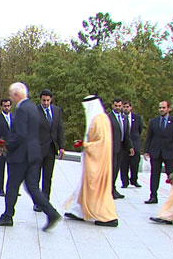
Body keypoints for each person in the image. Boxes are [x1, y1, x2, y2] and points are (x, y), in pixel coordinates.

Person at [0, 82, 62, 231]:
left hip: (21, 156)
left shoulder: (22, 109)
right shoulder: (33, 108)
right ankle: (52, 213)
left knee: (12, 186)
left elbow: (20, 134)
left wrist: (4, 146)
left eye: (11, 95)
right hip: (34, 154)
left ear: (16, 95)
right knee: (32, 187)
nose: (11, 98)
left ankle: (8, 216)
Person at [63, 95, 118, 227]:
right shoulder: (99, 118)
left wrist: (86, 145)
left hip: (97, 161)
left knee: (96, 188)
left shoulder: (99, 119)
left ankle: (107, 217)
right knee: (84, 186)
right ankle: (80, 211)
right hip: (92, 159)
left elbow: (101, 143)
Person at [35, 89, 65, 211]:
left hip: (51, 149)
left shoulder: (57, 111)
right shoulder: (35, 111)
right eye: (43, 100)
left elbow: (60, 129)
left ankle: (45, 200)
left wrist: (61, 146)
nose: (46, 103)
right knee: (36, 176)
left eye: (48, 100)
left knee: (48, 176)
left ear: (51, 99)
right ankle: (37, 202)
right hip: (38, 149)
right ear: (40, 99)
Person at [144, 101, 173, 204]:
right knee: (154, 174)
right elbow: (149, 137)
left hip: (169, 152)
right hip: (156, 152)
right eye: (160, 108)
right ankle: (153, 196)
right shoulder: (154, 121)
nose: (161, 110)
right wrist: (146, 150)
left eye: (163, 108)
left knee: (171, 175)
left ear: (168, 109)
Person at [107, 98, 134, 199]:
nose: (118, 108)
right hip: (111, 147)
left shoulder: (124, 117)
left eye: (119, 106)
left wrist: (130, 146)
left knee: (117, 168)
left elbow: (127, 134)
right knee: (112, 169)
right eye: (116, 106)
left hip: (121, 147)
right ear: (113, 106)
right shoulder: (108, 118)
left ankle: (113, 188)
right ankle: (109, 189)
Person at [120, 100, 143, 188]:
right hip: (124, 145)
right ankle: (124, 182)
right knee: (124, 164)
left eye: (127, 107)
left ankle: (134, 180)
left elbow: (140, 130)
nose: (126, 109)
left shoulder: (137, 118)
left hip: (135, 143)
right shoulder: (121, 118)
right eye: (124, 107)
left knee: (135, 164)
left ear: (131, 107)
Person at [0, 98, 13, 196]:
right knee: (1, 169)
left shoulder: (14, 118)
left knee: (12, 170)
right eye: (5, 106)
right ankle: (0, 188)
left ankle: (12, 189)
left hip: (12, 148)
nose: (7, 107)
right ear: (1, 107)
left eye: (8, 106)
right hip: (2, 147)